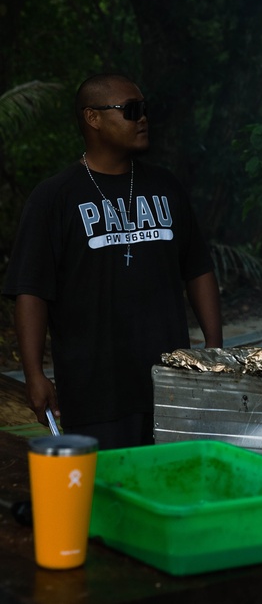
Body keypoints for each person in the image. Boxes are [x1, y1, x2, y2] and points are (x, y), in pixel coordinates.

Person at [2, 73, 223, 449]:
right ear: (93, 118)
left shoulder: (166, 187)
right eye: (131, 110)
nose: (142, 118)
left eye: (144, 109)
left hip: (169, 385)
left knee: (169, 489)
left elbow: (198, 269)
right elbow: (31, 291)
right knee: (108, 496)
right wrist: (34, 373)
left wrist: (215, 348)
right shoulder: (54, 198)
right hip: (95, 392)